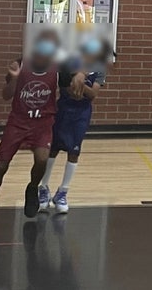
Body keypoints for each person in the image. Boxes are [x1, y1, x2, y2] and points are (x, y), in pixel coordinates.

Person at [0, 29, 81, 221]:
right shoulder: (20, 64)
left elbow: (75, 86)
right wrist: (14, 79)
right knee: (1, 165)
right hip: (18, 122)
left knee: (42, 159)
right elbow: (5, 95)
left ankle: (32, 188)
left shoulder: (58, 69)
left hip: (43, 123)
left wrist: (80, 75)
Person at [38, 34, 110, 214]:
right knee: (52, 149)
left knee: (74, 152)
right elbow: (65, 86)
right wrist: (74, 79)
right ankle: (43, 188)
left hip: (81, 114)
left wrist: (80, 84)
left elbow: (92, 95)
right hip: (63, 109)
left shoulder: (99, 69)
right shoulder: (68, 63)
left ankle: (62, 192)